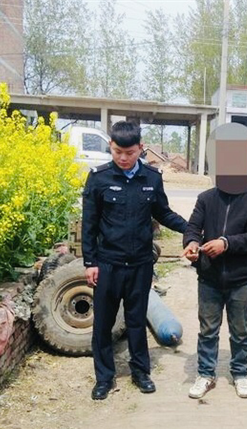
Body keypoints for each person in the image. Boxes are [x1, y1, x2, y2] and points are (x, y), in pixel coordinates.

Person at [82, 121, 187, 400]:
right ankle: (104, 378)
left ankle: (141, 372)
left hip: (140, 264)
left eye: (129, 153)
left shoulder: (151, 178)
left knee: (137, 321)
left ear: (141, 149)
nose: (123, 158)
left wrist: (191, 229)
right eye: (117, 152)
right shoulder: (99, 178)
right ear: (111, 147)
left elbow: (163, 213)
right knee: (103, 324)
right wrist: (90, 262)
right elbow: (89, 224)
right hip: (108, 264)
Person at [182, 123, 247, 400]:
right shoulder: (206, 199)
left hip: (240, 280)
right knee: (208, 330)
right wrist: (191, 244)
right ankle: (205, 374)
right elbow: (192, 227)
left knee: (239, 331)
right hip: (209, 278)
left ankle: (240, 373)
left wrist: (226, 243)